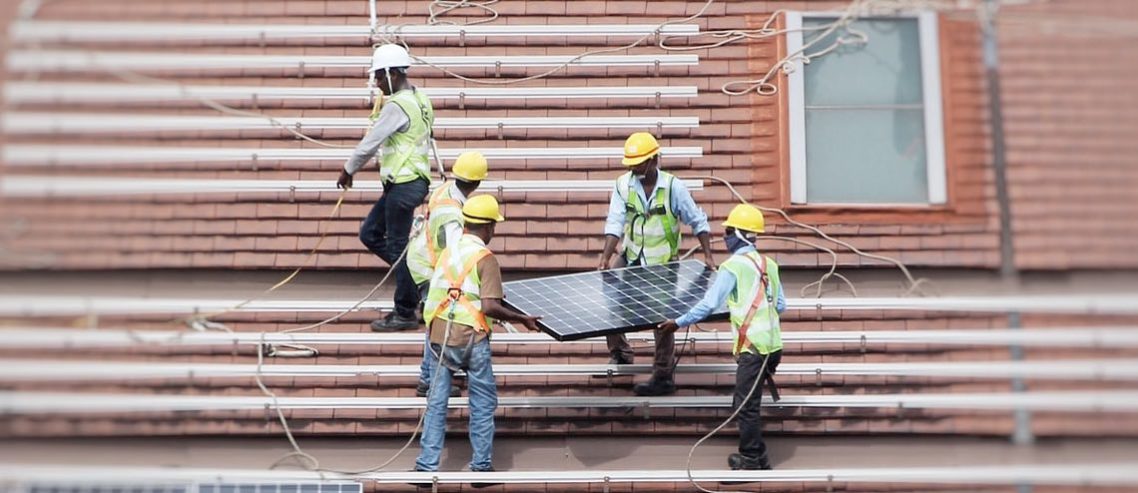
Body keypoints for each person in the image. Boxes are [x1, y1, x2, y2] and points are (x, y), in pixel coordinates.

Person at [414, 195, 542, 481]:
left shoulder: (448, 253)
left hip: (439, 337)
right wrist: (523, 319)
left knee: (436, 405)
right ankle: (481, 467)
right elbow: (490, 307)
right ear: (487, 227)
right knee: (482, 404)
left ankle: (426, 466)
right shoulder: (486, 258)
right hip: (472, 338)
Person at [657, 204, 787, 471]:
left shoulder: (733, 267)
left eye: (728, 231)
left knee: (746, 406)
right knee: (746, 400)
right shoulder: (769, 264)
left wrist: (677, 323)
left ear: (738, 234)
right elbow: (781, 305)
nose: (725, 235)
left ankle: (751, 458)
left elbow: (709, 304)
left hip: (754, 348)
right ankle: (759, 455)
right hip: (774, 347)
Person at [596, 131, 715, 397]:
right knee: (609, 295)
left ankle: (662, 375)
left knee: (663, 318)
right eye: (630, 163)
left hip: (662, 263)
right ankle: (621, 353)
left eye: (637, 163)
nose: (632, 168)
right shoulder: (622, 185)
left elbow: (697, 221)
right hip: (632, 254)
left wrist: (708, 256)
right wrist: (605, 256)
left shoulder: (673, 187)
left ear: (653, 161)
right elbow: (615, 221)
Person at [336, 43, 435, 332]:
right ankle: (418, 281)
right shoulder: (420, 98)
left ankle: (405, 311)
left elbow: (371, 142)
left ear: (393, 73)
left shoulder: (397, 105)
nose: (377, 83)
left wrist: (348, 170)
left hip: (404, 184)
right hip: (408, 183)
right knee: (370, 234)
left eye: (379, 77)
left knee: (397, 247)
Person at [402, 151, 489, 398]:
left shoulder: (447, 189)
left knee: (436, 321)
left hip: (424, 259)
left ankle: (429, 377)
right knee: (437, 321)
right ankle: (428, 379)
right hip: (430, 266)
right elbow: (456, 253)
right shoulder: (453, 215)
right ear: (478, 182)